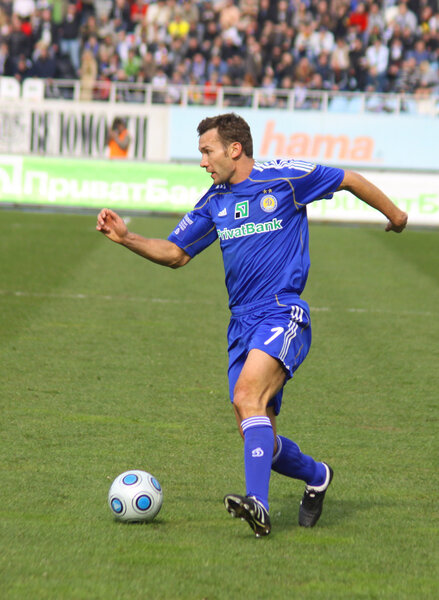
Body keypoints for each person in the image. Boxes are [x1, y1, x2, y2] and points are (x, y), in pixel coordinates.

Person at [96, 113, 408, 537]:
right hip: (240, 322)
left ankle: (257, 505)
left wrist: (397, 215)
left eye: (207, 151)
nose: (203, 161)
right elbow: (176, 252)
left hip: (282, 311)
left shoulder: (284, 178)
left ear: (234, 149)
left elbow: (348, 178)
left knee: (246, 396)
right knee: (256, 433)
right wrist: (127, 238)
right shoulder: (215, 200)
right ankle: (317, 475)